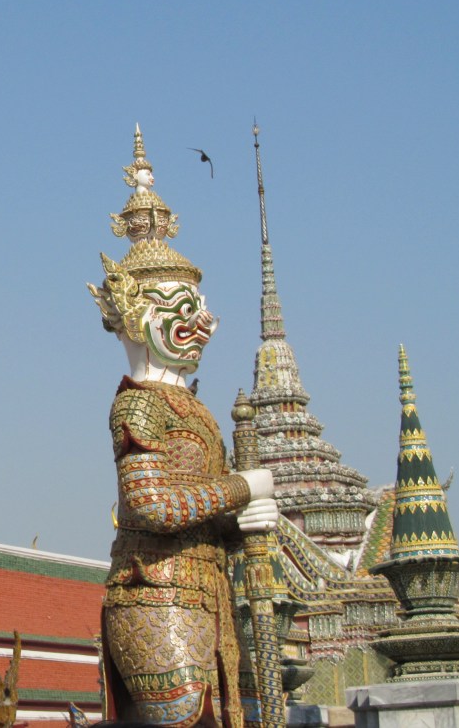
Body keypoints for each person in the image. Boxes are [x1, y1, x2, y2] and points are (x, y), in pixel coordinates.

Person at [88, 128, 278, 728]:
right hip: (156, 595)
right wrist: (243, 488)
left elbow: (200, 514)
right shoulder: (138, 406)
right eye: (185, 311)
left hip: (208, 596)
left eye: (202, 309)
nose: (205, 325)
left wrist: (239, 523)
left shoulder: (195, 410)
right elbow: (151, 507)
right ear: (138, 317)